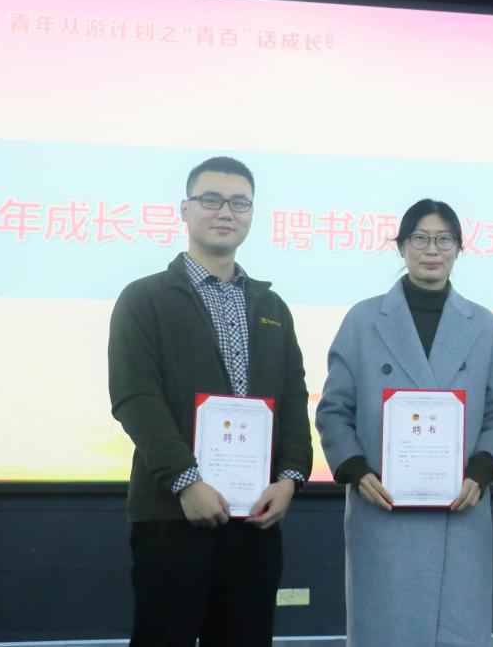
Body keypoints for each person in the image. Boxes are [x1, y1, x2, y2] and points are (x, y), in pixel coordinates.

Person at [108, 156, 313, 646]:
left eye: (239, 202)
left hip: (255, 519)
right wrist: (187, 482)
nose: (226, 211)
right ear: (185, 209)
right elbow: (135, 398)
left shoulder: (271, 306)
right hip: (172, 514)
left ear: (251, 213)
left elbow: (293, 398)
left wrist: (290, 479)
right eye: (211, 199)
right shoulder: (145, 298)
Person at [316, 198, 493, 647]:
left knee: (457, 633)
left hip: (460, 508)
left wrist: (482, 467)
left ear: (459, 248)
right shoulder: (364, 320)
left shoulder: (482, 324)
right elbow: (333, 410)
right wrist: (355, 469)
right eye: (420, 238)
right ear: (401, 245)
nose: (432, 249)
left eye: (444, 239)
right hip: (382, 505)